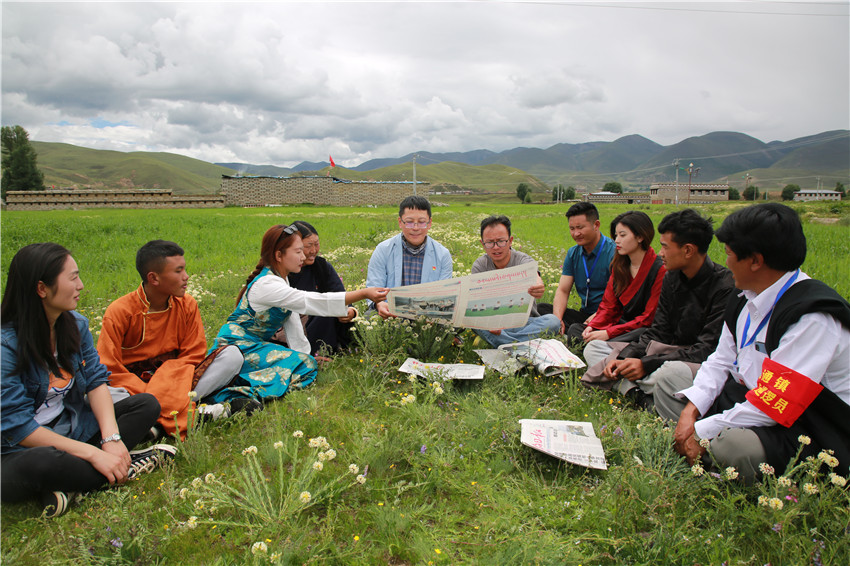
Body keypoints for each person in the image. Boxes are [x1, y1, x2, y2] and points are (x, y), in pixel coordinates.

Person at [654, 203, 850, 482]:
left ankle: (706, 454)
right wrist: (691, 411)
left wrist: (701, 429)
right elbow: (720, 360)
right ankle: (699, 451)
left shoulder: (811, 319)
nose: (727, 262)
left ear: (755, 261)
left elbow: (774, 406)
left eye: (730, 254)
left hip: (803, 423)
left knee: (735, 446)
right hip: (745, 395)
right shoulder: (744, 297)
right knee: (671, 378)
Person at [1, 243, 175, 518]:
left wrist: (112, 438)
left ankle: (74, 483)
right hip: (18, 449)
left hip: (72, 427)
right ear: (41, 289)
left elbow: (95, 381)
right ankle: (124, 465)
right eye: (72, 278)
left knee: (146, 405)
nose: (81, 285)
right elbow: (18, 427)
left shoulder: (75, 324)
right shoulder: (6, 346)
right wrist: (94, 454)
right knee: (44, 463)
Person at [207, 224, 388, 403]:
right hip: (238, 347)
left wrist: (305, 356)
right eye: (299, 251)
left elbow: (292, 322)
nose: (304, 256)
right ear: (279, 255)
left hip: (256, 346)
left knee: (307, 365)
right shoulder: (267, 284)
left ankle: (245, 390)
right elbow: (310, 301)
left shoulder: (283, 278)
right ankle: (236, 394)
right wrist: (364, 293)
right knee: (304, 367)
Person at [581, 209, 735, 409]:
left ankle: (631, 386)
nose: (660, 253)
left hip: (692, 360)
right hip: (664, 350)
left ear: (688, 250)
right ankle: (639, 393)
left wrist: (647, 364)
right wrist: (625, 357)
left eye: (665, 247)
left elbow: (707, 350)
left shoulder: (724, 287)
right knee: (595, 349)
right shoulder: (671, 277)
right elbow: (658, 331)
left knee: (670, 373)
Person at [97, 241, 246, 441]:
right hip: (135, 387)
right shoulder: (120, 311)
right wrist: (149, 393)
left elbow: (193, 354)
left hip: (178, 379)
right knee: (94, 394)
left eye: (184, 269)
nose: (186, 277)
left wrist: (166, 384)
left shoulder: (187, 305)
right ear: (154, 278)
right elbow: (109, 366)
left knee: (232, 356)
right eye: (178, 271)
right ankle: (192, 413)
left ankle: (157, 422)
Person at [571, 210, 666, 342]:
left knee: (641, 334)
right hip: (619, 324)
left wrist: (609, 333)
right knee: (576, 330)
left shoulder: (660, 270)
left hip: (641, 329)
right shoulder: (620, 265)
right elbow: (608, 305)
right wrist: (593, 326)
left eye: (622, 235)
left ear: (640, 237)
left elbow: (649, 318)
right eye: (616, 236)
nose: (617, 241)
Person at [470, 215, 561, 346]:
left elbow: (535, 276)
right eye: (489, 243)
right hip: (494, 324)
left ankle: (505, 343)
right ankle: (524, 345)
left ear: (510, 241)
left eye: (501, 241)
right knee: (476, 324)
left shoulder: (523, 260)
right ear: (482, 244)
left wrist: (538, 284)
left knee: (553, 322)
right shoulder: (479, 266)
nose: (495, 247)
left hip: (525, 322)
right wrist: (488, 322)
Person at [276, 221, 357, 356]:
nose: (313, 250)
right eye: (308, 246)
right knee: (323, 307)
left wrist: (350, 311)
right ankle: (313, 354)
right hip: (289, 326)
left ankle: (327, 351)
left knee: (330, 309)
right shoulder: (282, 270)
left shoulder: (321, 266)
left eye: (316, 244)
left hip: (320, 323)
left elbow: (340, 295)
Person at [366, 196, 453, 318]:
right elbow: (374, 287)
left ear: (429, 223)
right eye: (409, 222)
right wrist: (379, 304)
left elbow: (444, 294)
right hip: (390, 311)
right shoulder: (383, 249)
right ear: (400, 222)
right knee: (369, 318)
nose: (415, 228)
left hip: (427, 314)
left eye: (422, 222)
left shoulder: (442, 254)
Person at [551, 203, 616, 334]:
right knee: (543, 311)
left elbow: (619, 299)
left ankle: (574, 335)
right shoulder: (573, 253)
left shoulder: (614, 253)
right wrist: (556, 320)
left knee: (575, 330)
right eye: (572, 228)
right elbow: (563, 290)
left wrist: (598, 316)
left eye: (580, 228)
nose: (576, 233)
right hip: (584, 316)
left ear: (596, 225)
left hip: (609, 316)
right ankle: (564, 331)